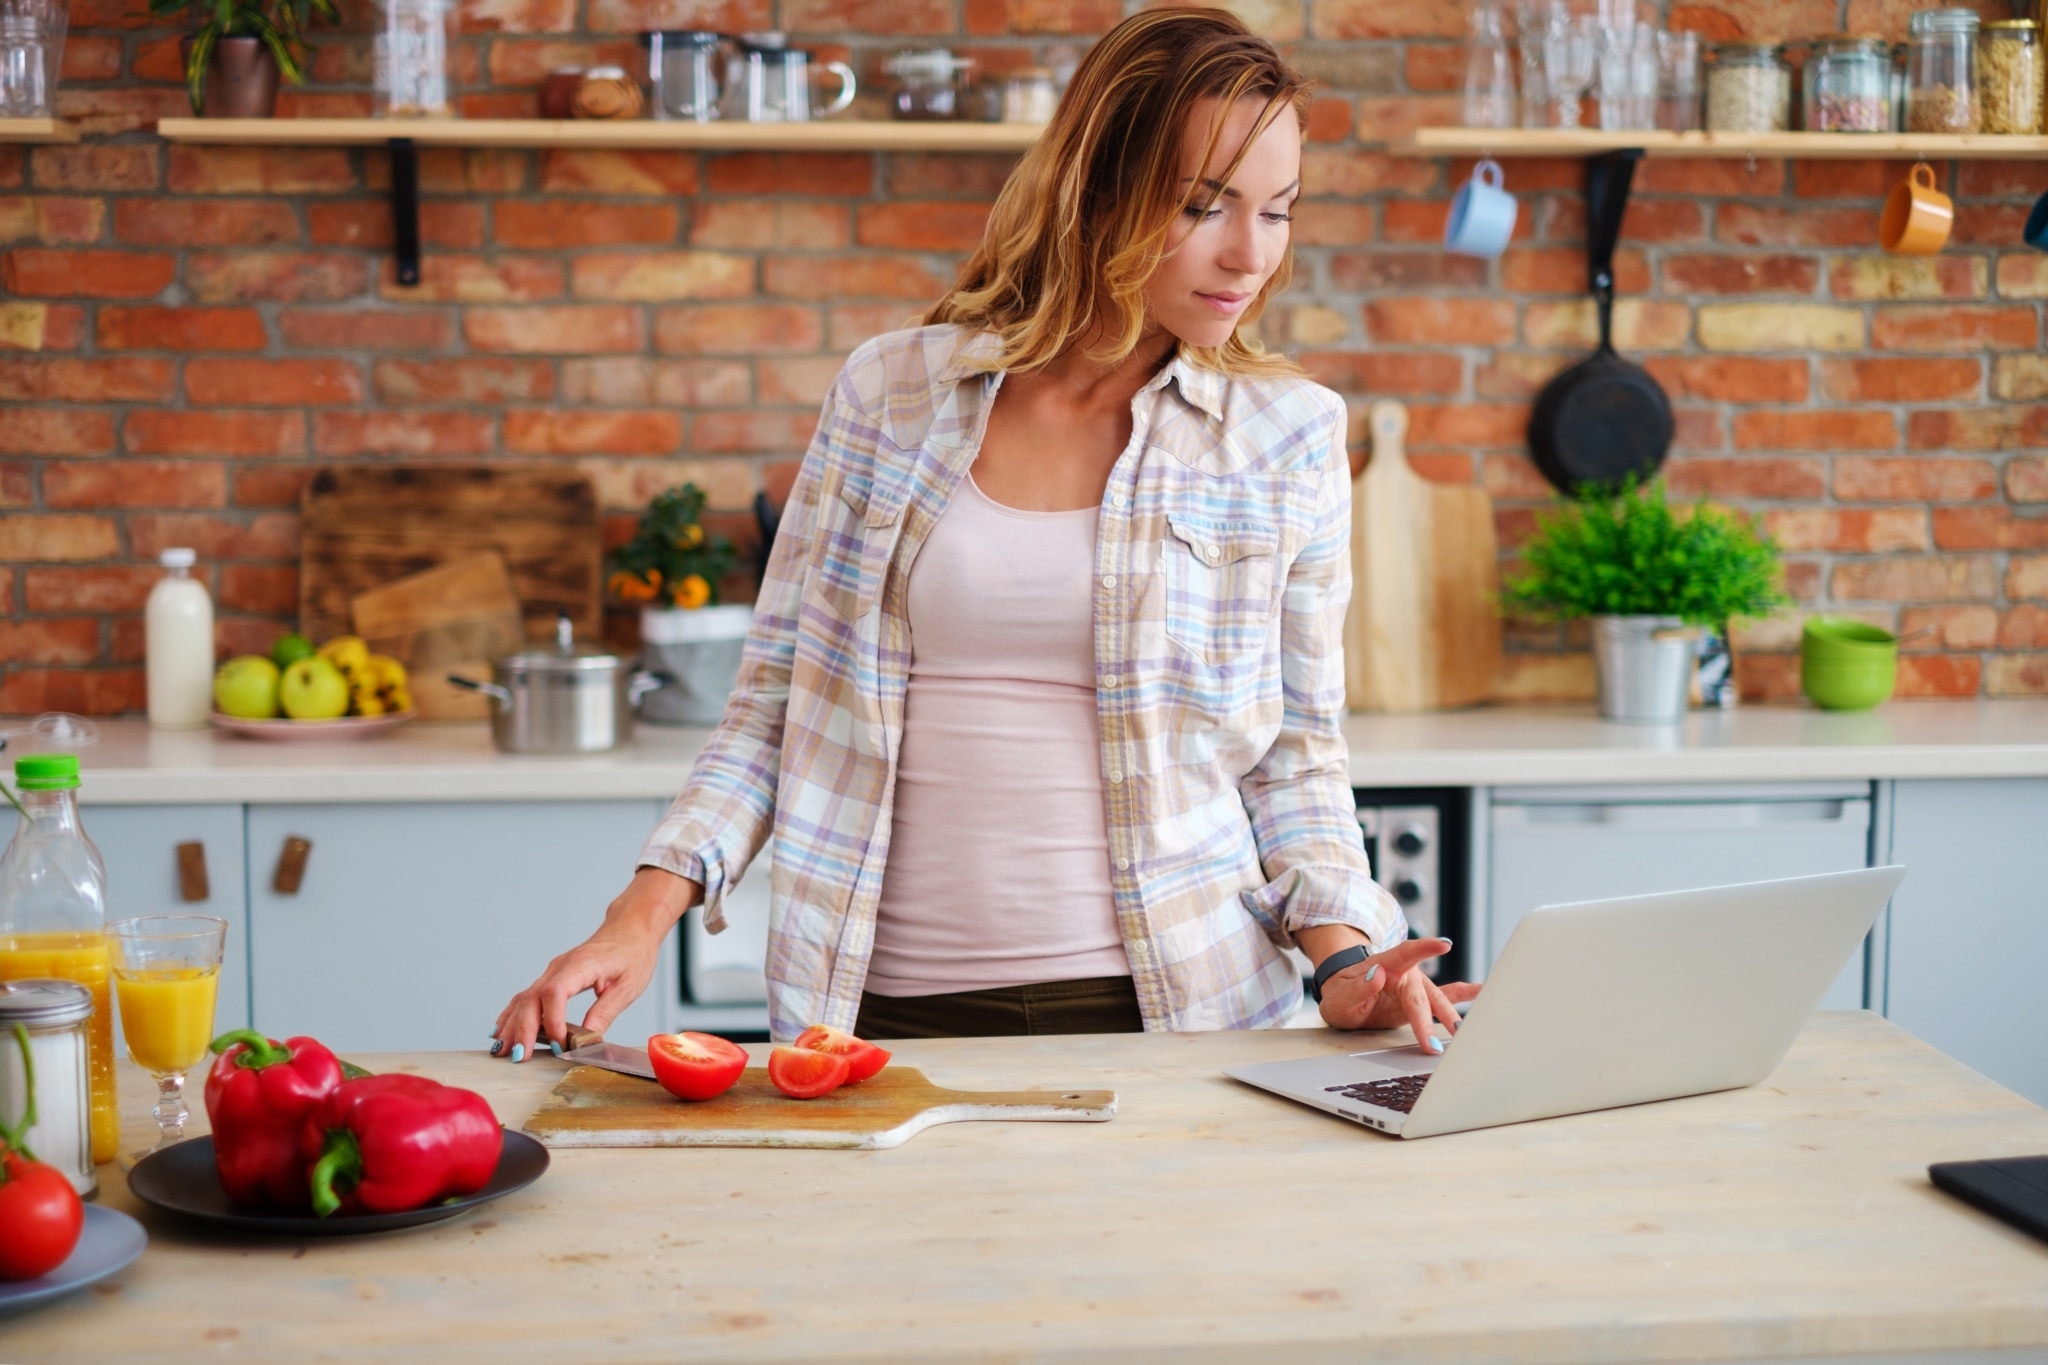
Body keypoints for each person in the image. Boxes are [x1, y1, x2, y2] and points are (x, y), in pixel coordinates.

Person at [491, 7, 1478, 1059]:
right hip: (873, 1017)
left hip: (1178, 1018)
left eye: (1276, 211)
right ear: (1095, 191)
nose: (1249, 252)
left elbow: (1292, 760)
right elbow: (774, 704)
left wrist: (1341, 965)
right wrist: (635, 919)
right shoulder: (892, 392)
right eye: (1202, 205)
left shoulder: (1285, 436)